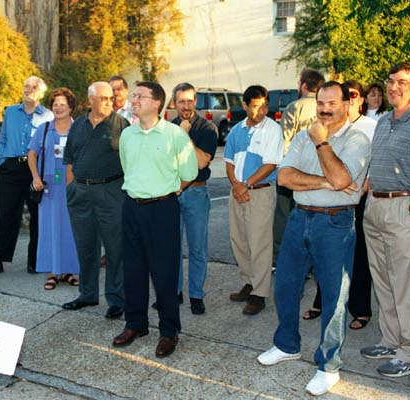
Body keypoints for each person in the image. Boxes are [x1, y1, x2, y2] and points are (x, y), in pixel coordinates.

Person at [257, 81, 371, 396]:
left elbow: (342, 178)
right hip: (299, 218)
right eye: (321, 103)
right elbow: (284, 177)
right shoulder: (304, 134)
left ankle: (329, 366)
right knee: (285, 286)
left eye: (332, 103)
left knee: (334, 297)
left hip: (335, 224)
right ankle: (287, 345)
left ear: (346, 105)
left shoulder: (357, 140)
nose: (325, 109)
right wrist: (326, 182)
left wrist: (322, 143)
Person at [361, 62, 410, 377]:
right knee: (383, 280)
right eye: (391, 81)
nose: (394, 87)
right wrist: (368, 194)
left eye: (402, 82)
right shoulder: (383, 121)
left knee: (406, 285)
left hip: (402, 208)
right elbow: (375, 165)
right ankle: (391, 340)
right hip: (376, 207)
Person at [112, 81, 197, 358]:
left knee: (164, 272)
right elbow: (127, 168)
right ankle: (136, 324)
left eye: (140, 96)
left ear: (157, 102)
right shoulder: (128, 135)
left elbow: (189, 173)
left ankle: (169, 331)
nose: (134, 100)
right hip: (132, 207)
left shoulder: (174, 134)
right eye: (134, 95)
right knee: (133, 270)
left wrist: (169, 191)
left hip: (162, 210)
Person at [302, 80, 377, 330]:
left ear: (359, 100)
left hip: (357, 198)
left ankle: (360, 308)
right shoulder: (327, 127)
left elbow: (372, 165)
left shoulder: (369, 127)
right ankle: (321, 301)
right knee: (323, 255)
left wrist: (358, 192)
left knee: (357, 257)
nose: (352, 99)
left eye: (355, 95)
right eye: (348, 95)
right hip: (330, 197)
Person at [62, 82, 130, 320]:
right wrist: (71, 189)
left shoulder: (122, 125)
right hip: (81, 193)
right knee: (86, 247)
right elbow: (69, 159)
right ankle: (87, 294)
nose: (109, 102)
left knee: (115, 249)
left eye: (111, 98)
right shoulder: (78, 124)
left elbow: (131, 161)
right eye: (103, 98)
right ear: (90, 100)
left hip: (111, 193)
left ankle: (116, 300)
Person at [0, 76, 54, 278]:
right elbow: (3, 137)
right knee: (6, 215)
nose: (29, 90)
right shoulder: (11, 112)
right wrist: (3, 160)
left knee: (37, 216)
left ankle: (35, 261)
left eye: (34, 87)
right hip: (11, 168)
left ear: (41, 93)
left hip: (35, 170)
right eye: (26, 86)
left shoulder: (48, 116)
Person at [224, 85, 284, 315]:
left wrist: (246, 184)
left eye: (265, 106)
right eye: (257, 106)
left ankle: (259, 293)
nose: (262, 111)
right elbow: (229, 162)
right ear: (245, 106)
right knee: (239, 240)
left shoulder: (273, 129)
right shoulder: (236, 130)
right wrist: (236, 186)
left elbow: (271, 164)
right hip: (238, 192)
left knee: (259, 243)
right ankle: (248, 282)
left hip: (259, 192)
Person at [169, 82, 218, 315]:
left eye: (190, 101)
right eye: (181, 101)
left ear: (195, 101)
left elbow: (201, 162)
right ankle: (174, 292)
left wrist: (185, 135)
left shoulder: (207, 128)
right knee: (172, 248)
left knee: (197, 248)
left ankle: (196, 295)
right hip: (171, 194)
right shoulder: (167, 128)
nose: (186, 106)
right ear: (174, 103)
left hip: (196, 194)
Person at [28, 88, 80, 290]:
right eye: (55, 104)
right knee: (49, 229)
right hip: (49, 188)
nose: (58, 108)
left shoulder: (79, 129)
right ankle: (52, 272)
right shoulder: (44, 129)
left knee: (71, 229)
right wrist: (35, 177)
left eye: (62, 104)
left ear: (71, 107)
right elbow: (32, 154)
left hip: (72, 187)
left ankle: (69, 270)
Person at [273, 69, 325, 266]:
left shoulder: (294, 107)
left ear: (303, 86)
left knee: (284, 216)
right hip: (318, 171)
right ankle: (311, 262)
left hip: (294, 170)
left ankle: (281, 259)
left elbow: (285, 141)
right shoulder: (324, 109)